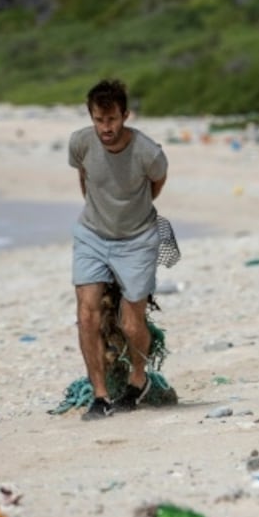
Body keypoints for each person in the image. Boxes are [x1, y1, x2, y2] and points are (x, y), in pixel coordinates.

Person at [68, 79, 168, 420]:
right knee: (86, 313)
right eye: (99, 120)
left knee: (130, 322)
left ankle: (137, 380)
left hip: (138, 238)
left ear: (125, 115)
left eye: (111, 120)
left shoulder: (147, 151)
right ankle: (99, 395)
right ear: (91, 117)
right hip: (92, 235)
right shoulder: (80, 142)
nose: (105, 128)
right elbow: (85, 178)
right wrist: (103, 213)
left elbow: (157, 181)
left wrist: (131, 211)